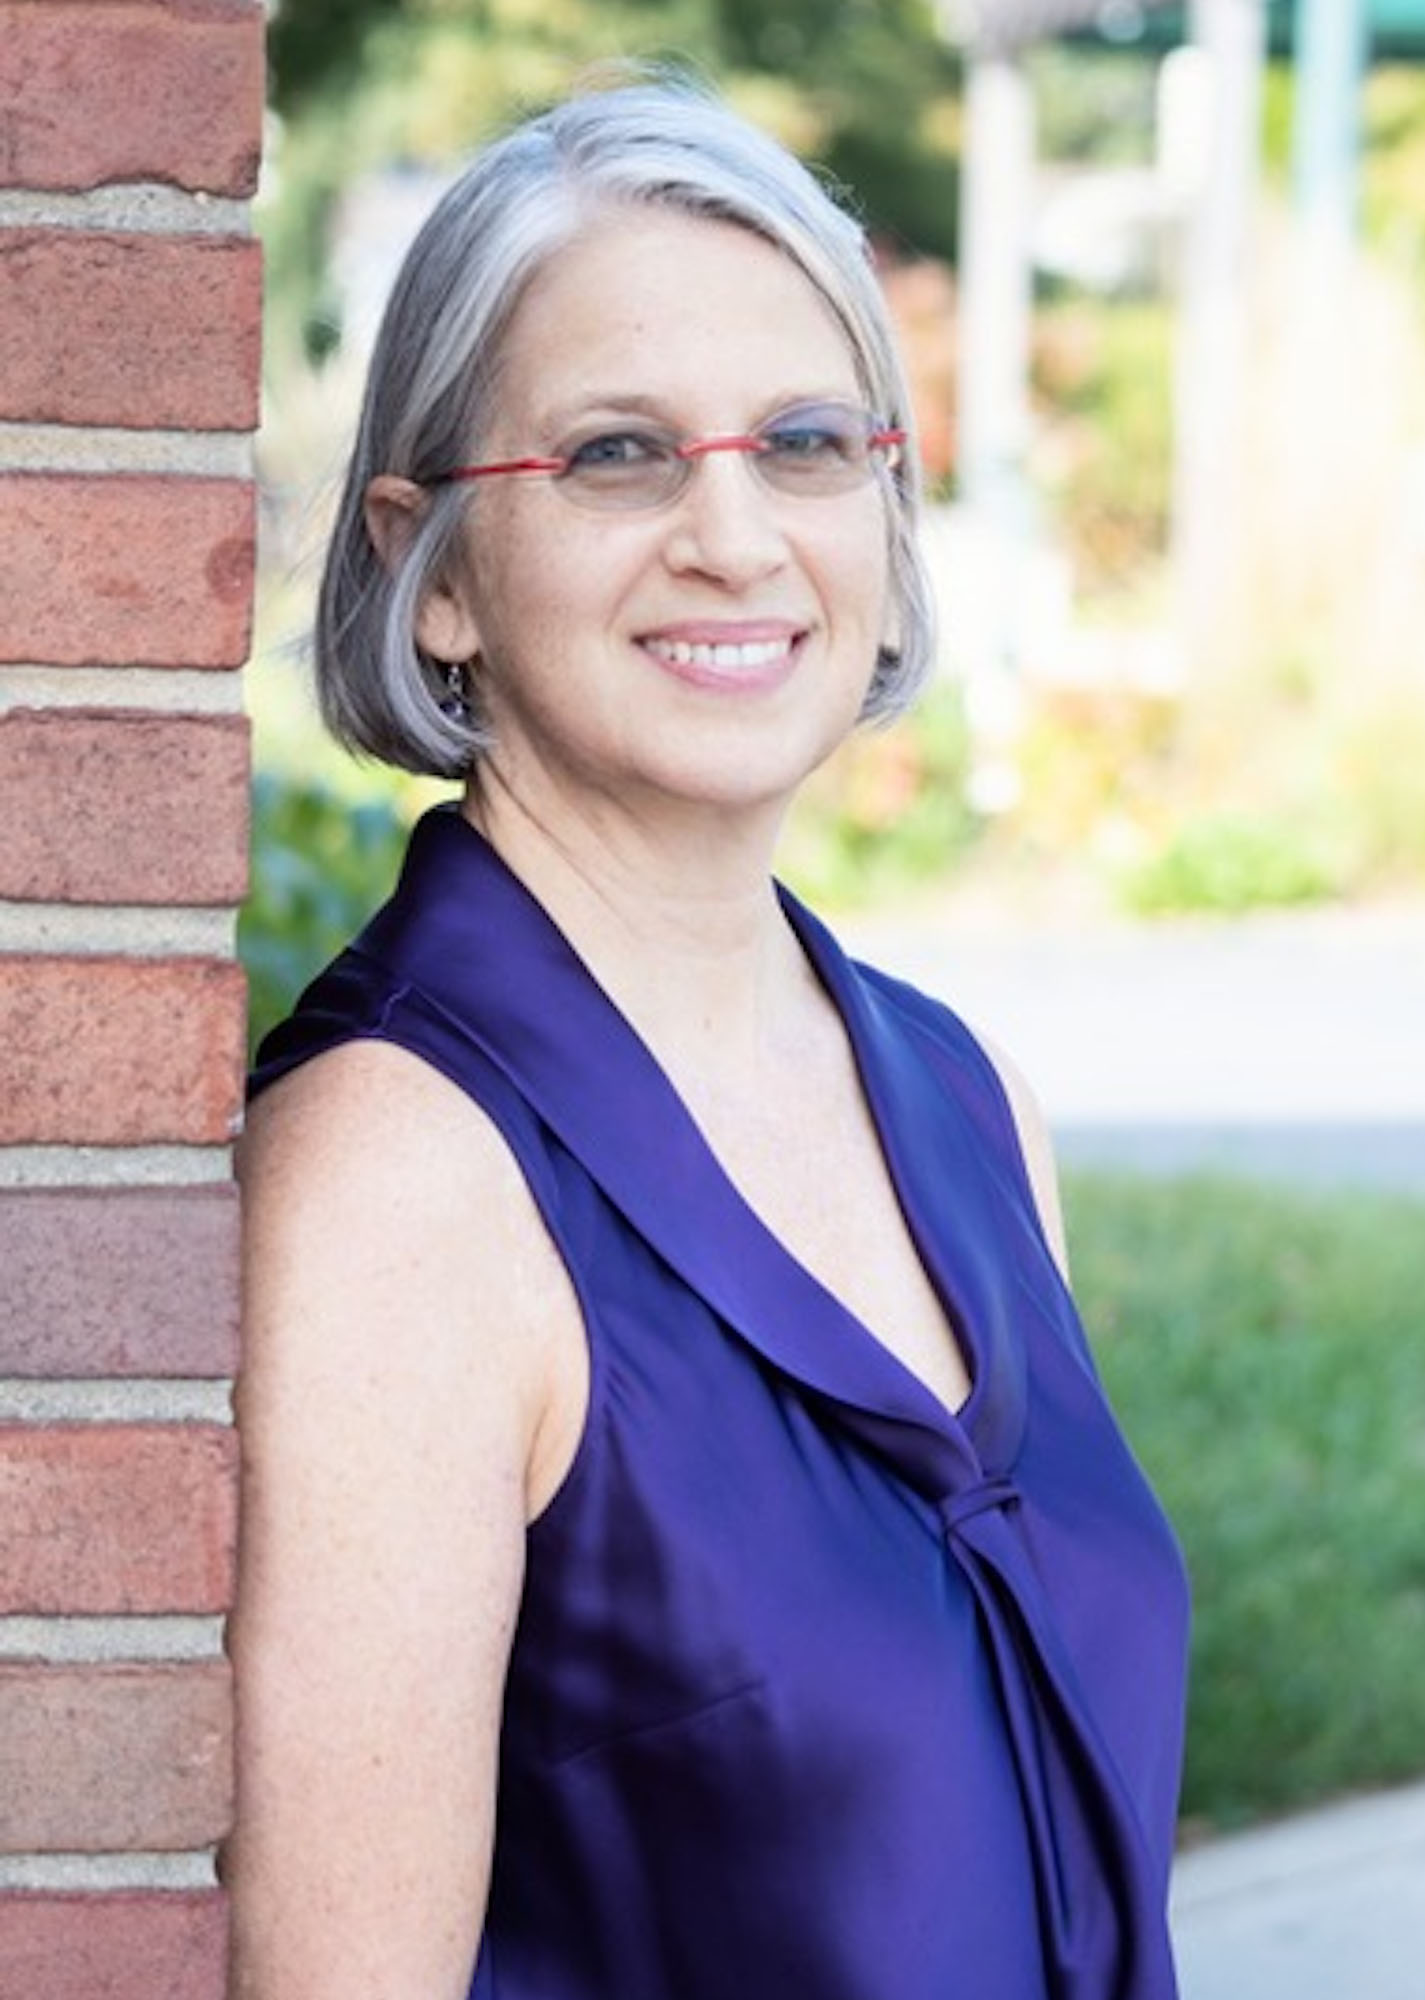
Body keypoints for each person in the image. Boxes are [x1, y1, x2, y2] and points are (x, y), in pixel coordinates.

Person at [227, 74, 1189, 2000]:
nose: (735, 537)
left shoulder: (966, 1104)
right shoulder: (398, 1186)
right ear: (437, 586)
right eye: (614, 455)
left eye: (809, 442)